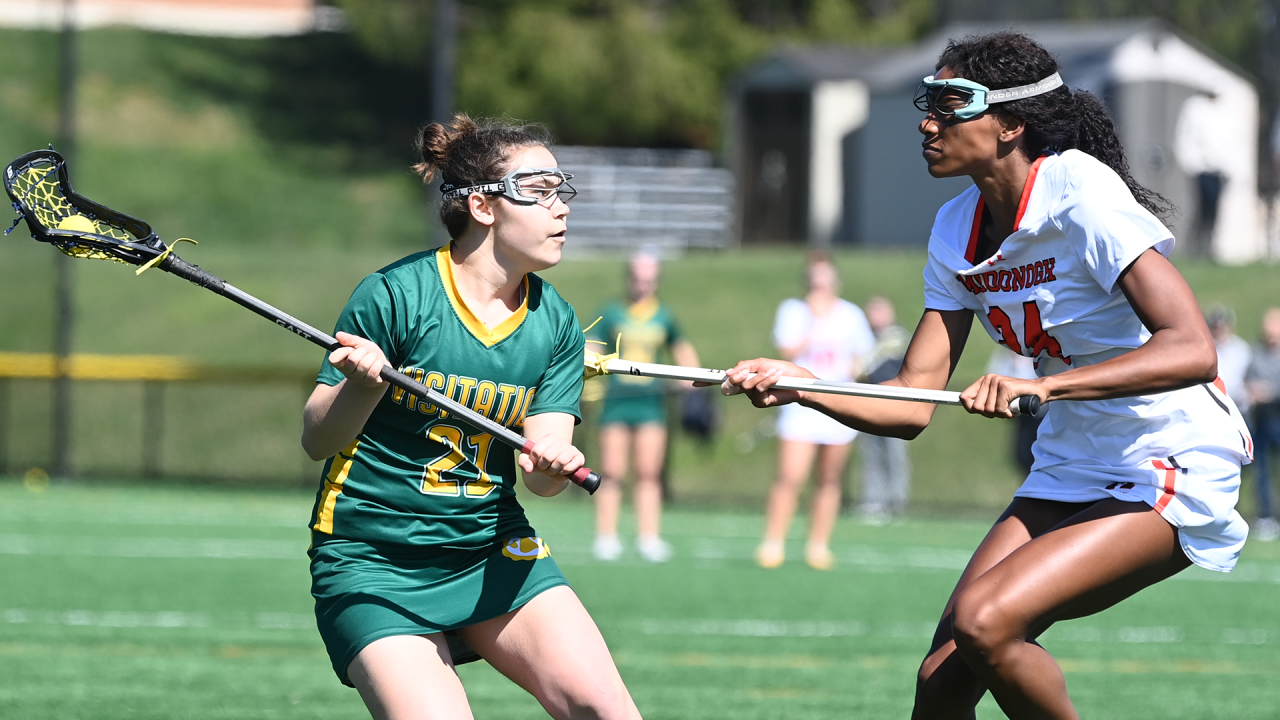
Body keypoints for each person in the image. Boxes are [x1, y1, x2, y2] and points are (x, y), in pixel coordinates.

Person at [721, 32, 1252, 719]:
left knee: (983, 621)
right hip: (1072, 461)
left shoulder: (1080, 192)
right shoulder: (952, 229)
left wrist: (1043, 387)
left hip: (1167, 455)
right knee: (939, 683)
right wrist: (802, 385)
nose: (927, 120)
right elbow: (913, 402)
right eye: (927, 101)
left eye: (951, 104)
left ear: (1011, 124)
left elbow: (1192, 349)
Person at [300, 114, 641, 720]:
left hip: (489, 547)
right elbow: (317, 437)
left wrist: (556, 464)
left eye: (561, 190)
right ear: (483, 206)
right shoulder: (396, 295)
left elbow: (539, 472)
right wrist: (358, 386)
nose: (560, 209)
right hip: (375, 558)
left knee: (604, 708)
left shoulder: (555, 321)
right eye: (538, 192)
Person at [755, 255, 875, 569]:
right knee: (790, 476)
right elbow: (787, 351)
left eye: (825, 281)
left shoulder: (851, 315)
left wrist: (856, 367)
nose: (820, 288)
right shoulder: (794, 311)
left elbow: (863, 356)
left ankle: (818, 545)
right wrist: (814, 321)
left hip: (836, 405)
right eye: (814, 281)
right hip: (799, 407)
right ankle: (773, 542)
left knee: (829, 478)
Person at [589, 250, 700, 563]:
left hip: (651, 404)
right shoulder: (611, 313)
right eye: (638, 278)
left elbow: (685, 354)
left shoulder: (664, 315)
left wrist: (689, 380)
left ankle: (648, 537)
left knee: (649, 473)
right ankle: (606, 536)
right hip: (616, 403)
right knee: (611, 472)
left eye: (649, 279)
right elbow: (592, 348)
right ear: (630, 278)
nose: (643, 284)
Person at [857, 296, 913, 522]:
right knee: (871, 456)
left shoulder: (896, 337)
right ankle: (873, 501)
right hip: (868, 404)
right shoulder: (862, 339)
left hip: (895, 406)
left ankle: (896, 503)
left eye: (881, 311)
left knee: (894, 455)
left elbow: (865, 365)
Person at [1246, 307, 1280, 541]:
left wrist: (1272, 393)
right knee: (1263, 471)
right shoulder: (1257, 353)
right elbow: (1248, 379)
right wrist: (1254, 390)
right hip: (1262, 420)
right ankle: (1266, 515)